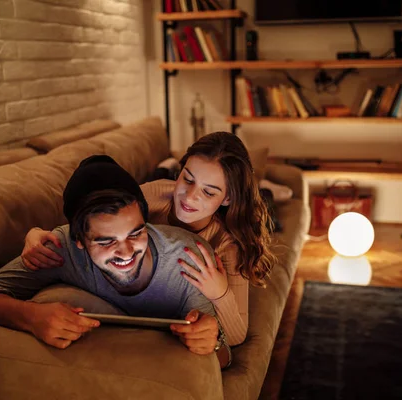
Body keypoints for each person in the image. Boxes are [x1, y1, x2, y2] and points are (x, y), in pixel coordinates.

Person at [0, 155, 230, 366]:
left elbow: (226, 355)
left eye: (136, 233)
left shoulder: (189, 257)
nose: (126, 252)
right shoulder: (60, 248)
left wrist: (212, 341)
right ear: (79, 240)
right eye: (106, 241)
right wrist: (31, 317)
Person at [22, 132, 277, 346]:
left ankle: (268, 195)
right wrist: (37, 233)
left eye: (209, 192)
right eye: (187, 179)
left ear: (228, 198)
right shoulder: (155, 193)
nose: (189, 197)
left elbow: (236, 336)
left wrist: (220, 293)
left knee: (266, 203)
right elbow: (97, 223)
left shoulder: (227, 246)